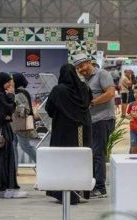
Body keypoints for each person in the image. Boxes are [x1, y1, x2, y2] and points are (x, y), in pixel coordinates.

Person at [45, 63, 93, 204]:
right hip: (83, 128)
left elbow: (49, 109)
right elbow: (89, 103)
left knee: (62, 159)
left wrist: (62, 113)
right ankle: (81, 192)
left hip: (63, 130)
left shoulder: (58, 90)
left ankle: (63, 193)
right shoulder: (84, 87)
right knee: (81, 160)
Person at [74, 54, 115, 198]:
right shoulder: (84, 80)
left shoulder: (102, 74)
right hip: (91, 121)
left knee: (98, 154)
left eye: (82, 66)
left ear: (89, 62)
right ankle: (92, 185)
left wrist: (92, 102)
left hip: (103, 120)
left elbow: (110, 93)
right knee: (91, 153)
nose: (81, 69)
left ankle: (100, 188)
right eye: (78, 68)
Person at [11, 72, 37, 169]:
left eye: (12, 80)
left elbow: (25, 110)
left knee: (25, 146)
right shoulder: (20, 92)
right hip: (16, 123)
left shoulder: (20, 93)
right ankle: (14, 169)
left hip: (21, 124)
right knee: (14, 146)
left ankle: (42, 163)